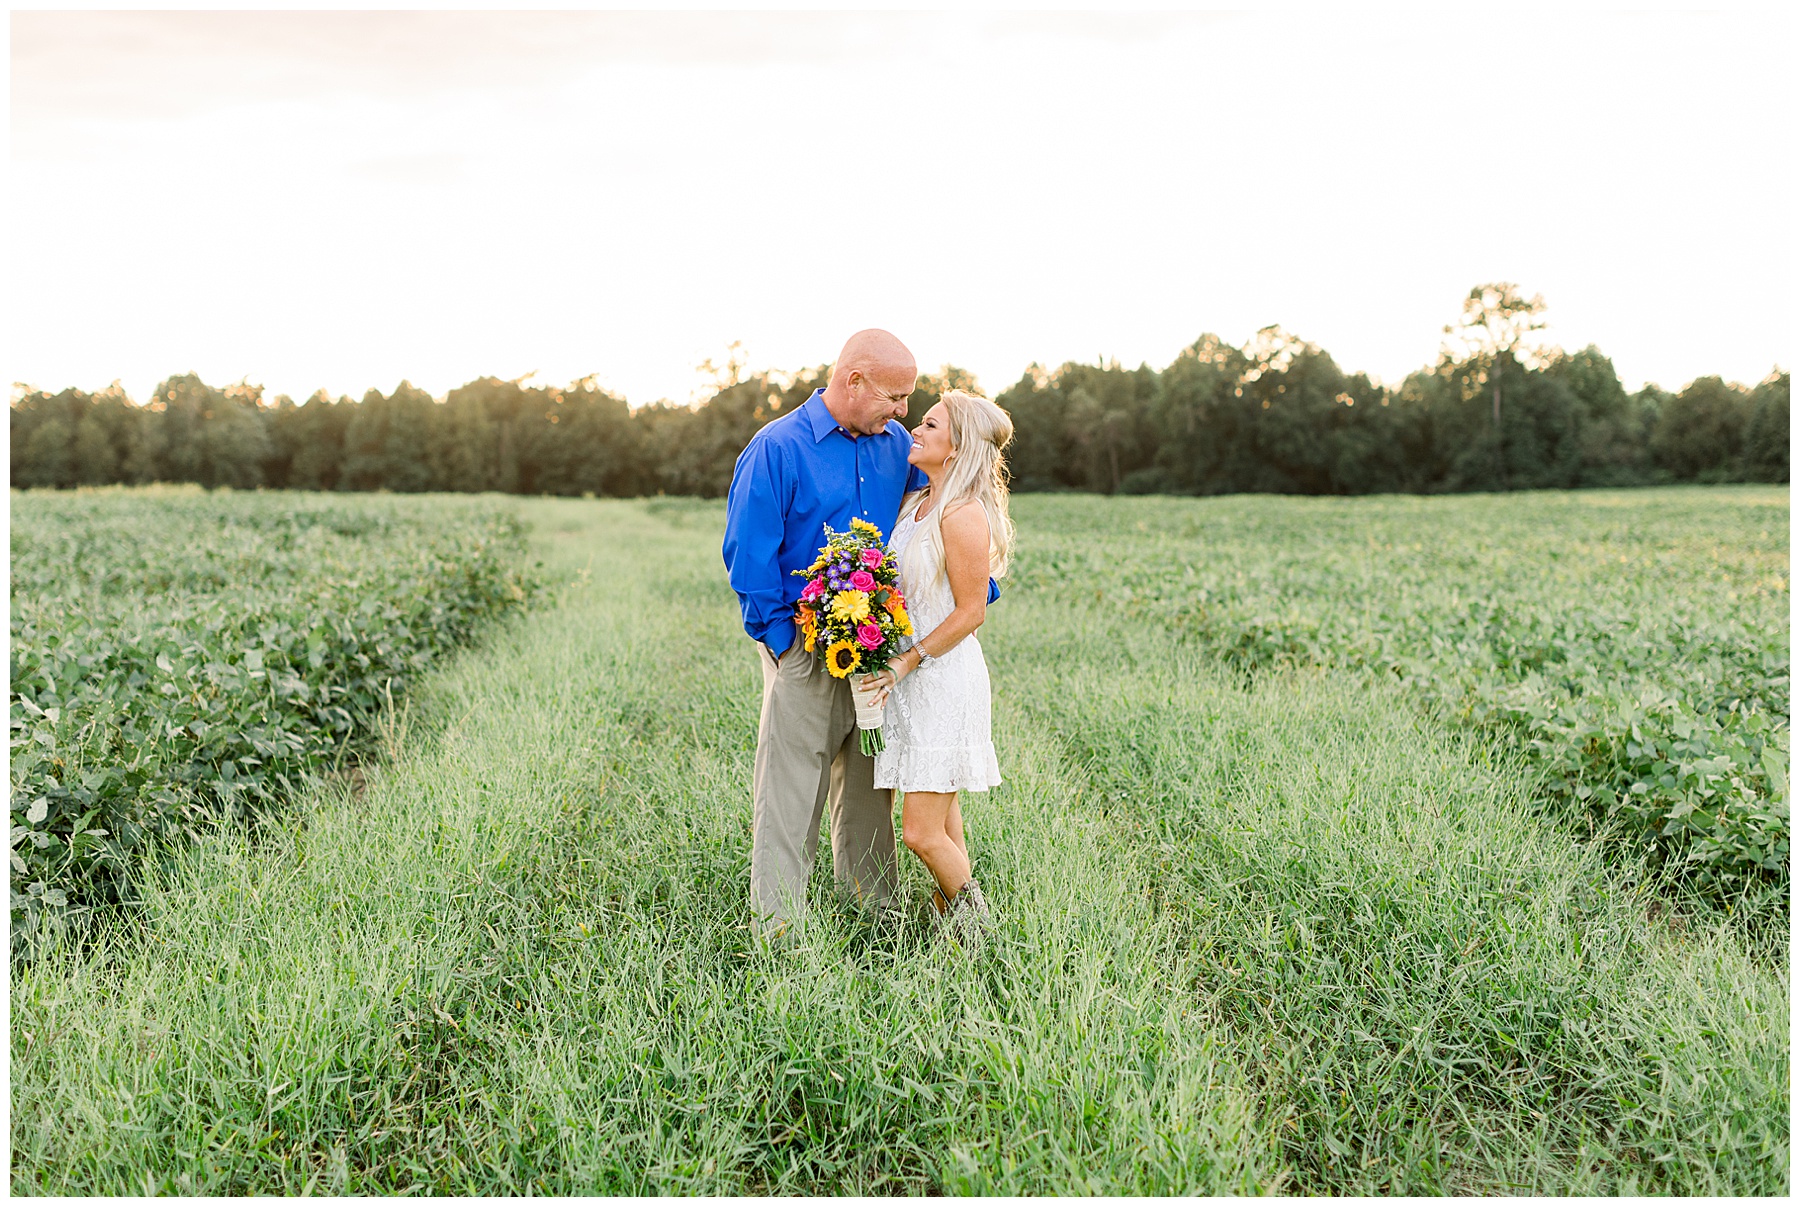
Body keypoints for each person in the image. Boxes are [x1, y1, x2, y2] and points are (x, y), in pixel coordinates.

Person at [722, 329, 927, 938]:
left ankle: (876, 920)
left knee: (869, 788)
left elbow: (931, 523)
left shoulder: (898, 448)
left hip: (878, 649)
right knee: (790, 793)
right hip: (803, 648)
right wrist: (784, 644)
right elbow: (748, 556)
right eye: (895, 396)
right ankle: (777, 932)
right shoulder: (777, 448)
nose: (904, 411)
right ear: (853, 380)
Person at [860, 389, 1014, 950]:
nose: (914, 431)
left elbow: (972, 611)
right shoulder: (917, 502)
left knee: (920, 832)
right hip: (911, 679)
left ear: (956, 446)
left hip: (942, 679)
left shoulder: (962, 512)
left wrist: (907, 661)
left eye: (928, 424)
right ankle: (956, 942)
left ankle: (984, 933)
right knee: (946, 826)